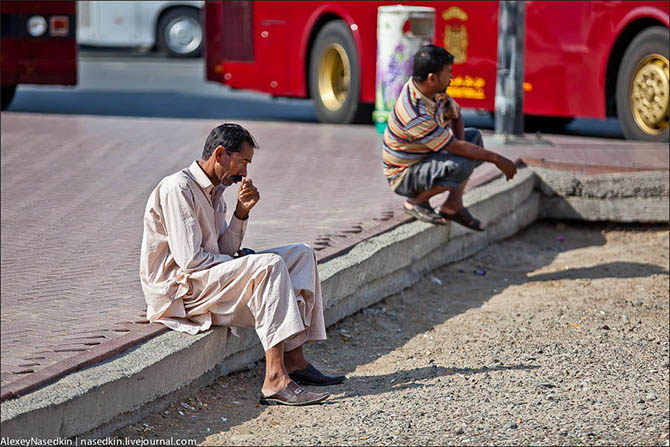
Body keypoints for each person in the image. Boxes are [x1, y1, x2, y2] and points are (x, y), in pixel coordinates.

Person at [139, 123, 345, 406]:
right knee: (268, 266)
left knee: (301, 254)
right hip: (180, 290)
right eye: (243, 162)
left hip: (204, 279)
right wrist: (246, 262)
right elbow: (191, 261)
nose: (245, 173)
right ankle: (274, 379)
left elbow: (223, 250)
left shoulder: (216, 192)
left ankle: (295, 359)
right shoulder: (179, 188)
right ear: (221, 154)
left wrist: (241, 213)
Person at [382, 44, 517, 230]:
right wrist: (497, 159)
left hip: (425, 158)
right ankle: (415, 202)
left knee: (473, 138)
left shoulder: (433, 91)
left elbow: (455, 114)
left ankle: (453, 205)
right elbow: (455, 147)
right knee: (461, 163)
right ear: (432, 77)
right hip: (404, 175)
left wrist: (461, 145)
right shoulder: (414, 113)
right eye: (449, 72)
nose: (452, 77)